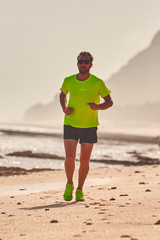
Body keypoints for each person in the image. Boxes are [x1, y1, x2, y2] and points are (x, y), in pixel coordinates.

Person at [60, 51, 113, 201]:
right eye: (80, 61)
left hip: (89, 126)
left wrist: (97, 107)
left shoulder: (97, 82)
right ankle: (69, 184)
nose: (83, 64)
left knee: (84, 160)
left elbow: (109, 102)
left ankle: (80, 189)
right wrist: (64, 108)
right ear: (77, 63)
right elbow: (62, 94)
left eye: (86, 61)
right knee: (69, 157)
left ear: (91, 64)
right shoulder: (68, 80)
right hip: (70, 124)